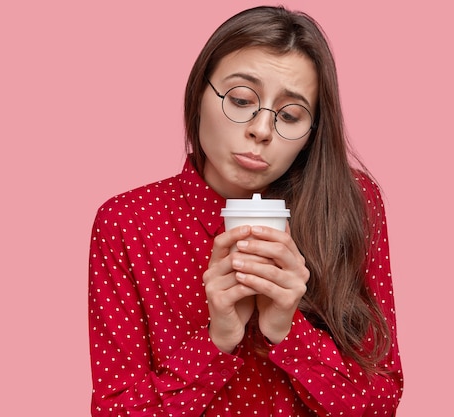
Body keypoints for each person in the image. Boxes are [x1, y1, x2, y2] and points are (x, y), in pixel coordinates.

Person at [88, 5, 403, 416]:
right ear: (199, 93)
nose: (261, 129)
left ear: (311, 134)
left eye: (290, 115)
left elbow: (380, 401)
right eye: (240, 100)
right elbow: (115, 410)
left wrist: (287, 332)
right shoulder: (128, 222)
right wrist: (216, 340)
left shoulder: (351, 204)